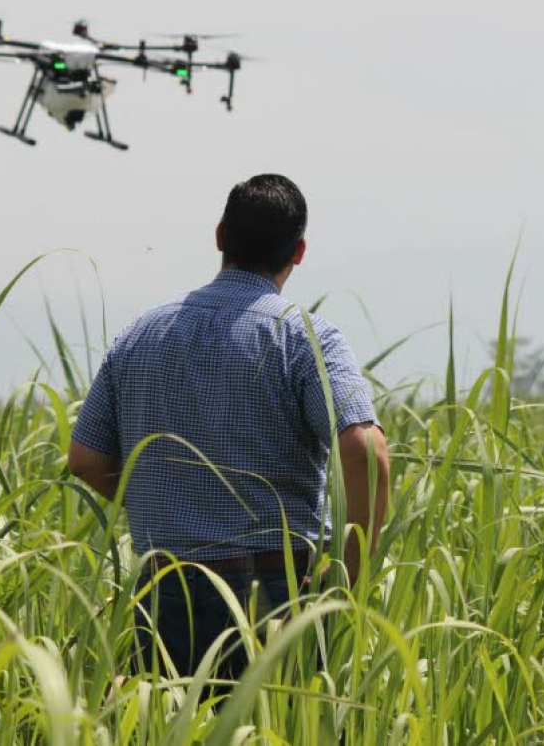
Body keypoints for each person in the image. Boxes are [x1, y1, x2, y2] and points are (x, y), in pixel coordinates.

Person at [67, 173, 391, 682]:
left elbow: (85, 459)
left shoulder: (139, 335)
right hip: (276, 591)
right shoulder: (307, 338)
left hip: (166, 584)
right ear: (299, 251)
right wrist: (347, 574)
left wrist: (166, 500)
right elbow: (366, 450)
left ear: (219, 237)